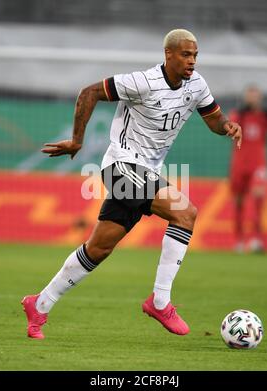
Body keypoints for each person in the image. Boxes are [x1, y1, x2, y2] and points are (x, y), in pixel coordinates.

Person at [21, 29, 242, 339]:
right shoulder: (142, 82)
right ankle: (160, 301)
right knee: (186, 213)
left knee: (98, 248)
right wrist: (76, 141)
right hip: (122, 165)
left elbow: (213, 119)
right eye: (185, 54)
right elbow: (89, 92)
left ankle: (39, 304)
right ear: (168, 55)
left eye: (195, 55)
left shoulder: (197, 85)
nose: (192, 61)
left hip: (145, 171)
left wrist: (227, 126)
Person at [229, 86, 267, 253]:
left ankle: (256, 239)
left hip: (258, 165)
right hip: (239, 165)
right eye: (250, 96)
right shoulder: (238, 115)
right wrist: (240, 113)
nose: (252, 99)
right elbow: (229, 129)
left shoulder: (266, 117)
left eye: (255, 96)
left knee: (258, 200)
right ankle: (238, 240)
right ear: (246, 98)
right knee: (238, 203)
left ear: (260, 98)